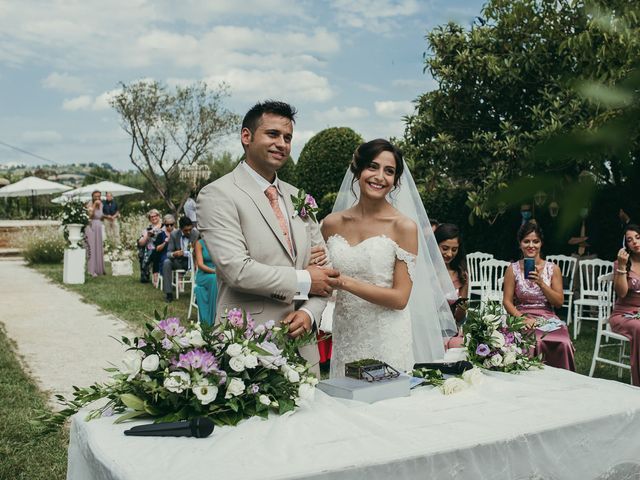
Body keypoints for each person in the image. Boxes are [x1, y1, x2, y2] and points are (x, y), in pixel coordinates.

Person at [196, 101, 339, 376]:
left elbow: (326, 275)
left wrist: (309, 314)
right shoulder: (218, 194)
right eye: (273, 134)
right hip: (247, 346)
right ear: (246, 136)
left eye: (288, 138)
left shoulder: (299, 197)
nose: (282, 144)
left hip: (303, 346)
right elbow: (237, 270)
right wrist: (307, 280)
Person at [322, 139, 457, 378]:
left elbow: (400, 298)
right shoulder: (331, 223)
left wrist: (343, 282)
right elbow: (319, 276)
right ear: (358, 169)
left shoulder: (403, 226)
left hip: (386, 337)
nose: (380, 177)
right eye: (372, 167)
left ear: (395, 181)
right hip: (346, 335)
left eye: (389, 171)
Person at [503, 221, 576, 371]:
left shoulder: (553, 269)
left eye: (536, 241)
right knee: (533, 340)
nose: (531, 245)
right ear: (520, 244)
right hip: (522, 315)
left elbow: (559, 302)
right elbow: (507, 301)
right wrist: (522, 318)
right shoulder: (512, 269)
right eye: (526, 241)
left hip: (547, 317)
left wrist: (541, 283)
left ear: (541, 244)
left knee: (562, 341)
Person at [609, 224, 640, 386]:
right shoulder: (621, 263)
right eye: (630, 240)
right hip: (623, 315)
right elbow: (621, 293)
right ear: (625, 245)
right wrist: (621, 266)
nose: (634, 242)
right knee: (639, 327)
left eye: (638, 237)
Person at [434, 223, 468, 348]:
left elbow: (460, 317)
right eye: (445, 248)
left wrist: (463, 303)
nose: (449, 254)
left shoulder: (461, 275)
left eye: (454, 249)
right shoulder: (426, 273)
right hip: (429, 330)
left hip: (452, 330)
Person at [162, 216, 199, 302]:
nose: (189, 232)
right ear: (181, 228)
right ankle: (169, 294)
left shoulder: (196, 234)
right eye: (186, 230)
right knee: (166, 262)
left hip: (192, 262)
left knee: (200, 264)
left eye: (190, 229)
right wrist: (174, 254)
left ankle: (197, 295)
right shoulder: (174, 234)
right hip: (178, 261)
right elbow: (168, 253)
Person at [194, 237, 217, 326]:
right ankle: (212, 321)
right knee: (214, 279)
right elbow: (200, 265)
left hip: (218, 273)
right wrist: (215, 271)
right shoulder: (199, 243)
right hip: (204, 275)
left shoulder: (219, 242)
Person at [137, 209, 163, 284]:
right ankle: (147, 275)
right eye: (151, 217)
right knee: (146, 250)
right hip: (150, 249)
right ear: (149, 219)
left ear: (159, 216)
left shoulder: (165, 226)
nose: (154, 218)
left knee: (153, 251)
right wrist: (147, 236)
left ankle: (152, 275)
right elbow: (141, 243)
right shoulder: (147, 229)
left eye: (155, 216)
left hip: (162, 248)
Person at [85, 190, 105, 277]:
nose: (97, 198)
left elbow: (101, 216)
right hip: (91, 226)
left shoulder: (102, 204)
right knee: (92, 247)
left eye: (99, 196)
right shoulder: (89, 204)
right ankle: (91, 270)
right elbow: (89, 216)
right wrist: (94, 205)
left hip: (99, 226)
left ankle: (99, 269)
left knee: (99, 247)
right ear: (92, 196)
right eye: (95, 196)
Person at [153, 214, 176, 283]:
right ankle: (167, 281)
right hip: (164, 255)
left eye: (171, 224)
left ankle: (179, 280)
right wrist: (165, 242)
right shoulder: (161, 234)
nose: (169, 226)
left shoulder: (178, 233)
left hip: (175, 255)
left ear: (174, 224)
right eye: (167, 225)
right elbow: (157, 249)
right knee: (166, 260)